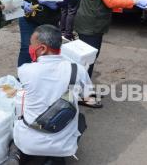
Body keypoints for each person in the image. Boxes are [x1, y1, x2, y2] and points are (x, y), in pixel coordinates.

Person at [9, 24, 92, 165]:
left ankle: (15, 157)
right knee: (81, 118)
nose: (30, 48)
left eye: (31, 44)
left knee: (17, 114)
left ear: (42, 48)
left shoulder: (25, 70)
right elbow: (87, 96)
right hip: (63, 146)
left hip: (28, 143)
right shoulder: (77, 69)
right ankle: (54, 158)